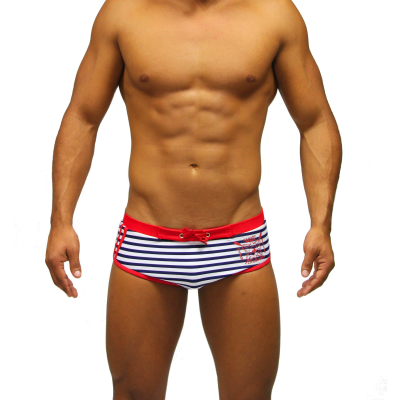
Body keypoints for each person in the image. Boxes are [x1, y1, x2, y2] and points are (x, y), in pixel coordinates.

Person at [45, 0, 342, 398]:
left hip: (239, 243)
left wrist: (321, 224)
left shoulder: (274, 14)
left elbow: (315, 120)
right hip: (148, 239)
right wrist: (60, 221)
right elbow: (83, 116)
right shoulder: (124, 12)